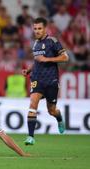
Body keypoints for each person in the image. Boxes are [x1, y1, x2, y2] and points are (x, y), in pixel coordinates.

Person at [22, 17, 69, 145]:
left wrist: (47, 59)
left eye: (39, 28)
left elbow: (65, 57)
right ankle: (30, 137)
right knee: (33, 104)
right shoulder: (35, 44)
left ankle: (59, 118)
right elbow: (37, 60)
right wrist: (29, 70)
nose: (37, 31)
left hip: (51, 80)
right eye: (35, 29)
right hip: (37, 79)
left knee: (51, 110)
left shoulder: (52, 41)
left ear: (45, 29)